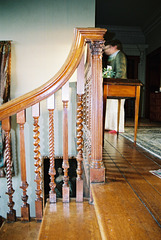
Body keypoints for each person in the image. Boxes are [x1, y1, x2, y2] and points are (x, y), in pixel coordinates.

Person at [103, 39, 127, 133]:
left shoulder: (120, 55)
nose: (105, 51)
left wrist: (114, 82)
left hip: (118, 86)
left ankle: (117, 128)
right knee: (111, 106)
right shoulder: (112, 57)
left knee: (117, 107)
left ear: (114, 46)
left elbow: (121, 71)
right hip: (112, 85)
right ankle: (111, 126)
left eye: (107, 48)